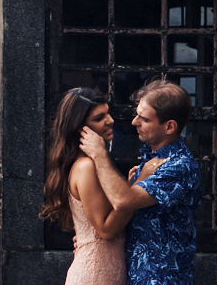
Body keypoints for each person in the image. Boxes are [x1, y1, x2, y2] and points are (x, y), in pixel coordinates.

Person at [79, 80, 201, 285]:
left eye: (144, 119)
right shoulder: (150, 160)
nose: (134, 122)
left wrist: (99, 154)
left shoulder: (178, 166)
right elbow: (133, 219)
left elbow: (122, 202)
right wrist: (89, 240)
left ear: (170, 126)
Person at [42, 88, 161, 285]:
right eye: (99, 118)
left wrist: (130, 187)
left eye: (108, 113)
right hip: (95, 274)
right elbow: (106, 229)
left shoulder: (91, 164)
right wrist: (139, 185)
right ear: (81, 129)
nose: (110, 120)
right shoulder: (86, 167)